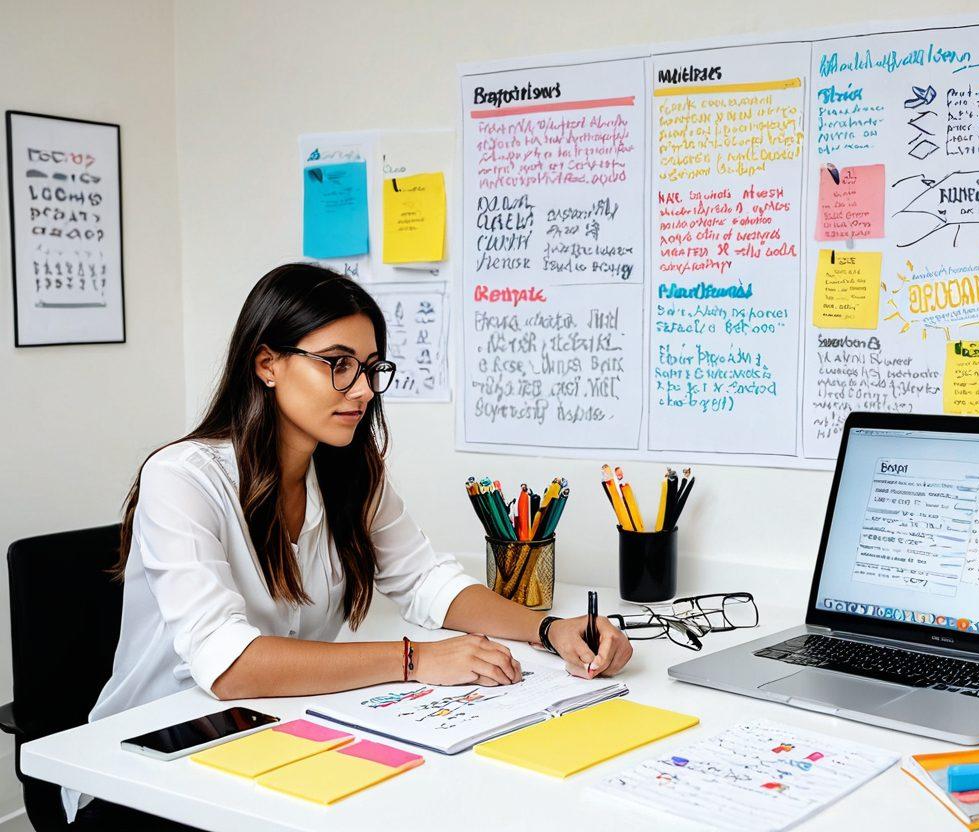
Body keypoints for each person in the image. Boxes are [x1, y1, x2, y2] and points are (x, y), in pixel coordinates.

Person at [66, 263, 632, 826]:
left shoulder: (350, 472)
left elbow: (428, 580)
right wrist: (415, 660)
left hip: (277, 744)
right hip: (148, 767)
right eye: (337, 365)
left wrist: (548, 630)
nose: (362, 390)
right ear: (267, 364)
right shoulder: (183, 478)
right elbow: (231, 664)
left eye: (369, 368)